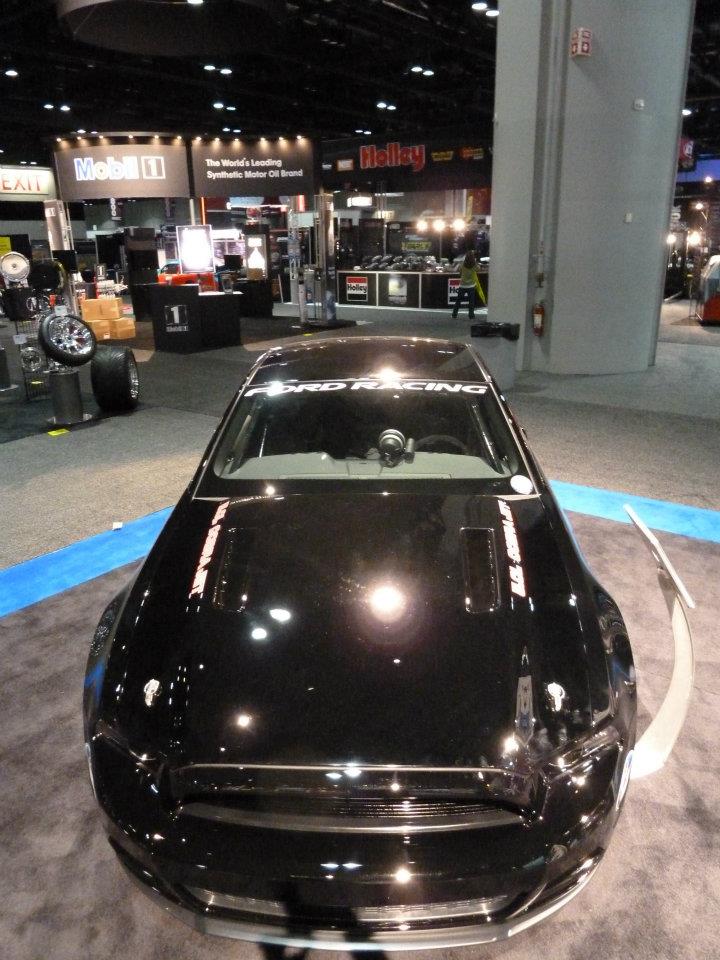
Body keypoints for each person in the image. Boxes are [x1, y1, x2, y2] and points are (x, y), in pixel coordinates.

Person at [452, 251, 481, 320]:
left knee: (458, 301)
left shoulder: (462, 264)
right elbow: (479, 269)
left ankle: (454, 315)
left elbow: (458, 271)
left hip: (462, 285)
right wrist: (476, 262)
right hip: (471, 286)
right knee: (471, 302)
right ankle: (471, 316)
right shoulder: (474, 265)